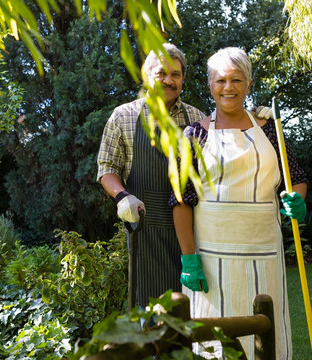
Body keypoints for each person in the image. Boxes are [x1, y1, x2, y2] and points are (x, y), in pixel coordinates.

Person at [97, 43, 272, 307]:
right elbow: (107, 167)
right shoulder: (124, 116)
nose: (169, 80)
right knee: (152, 312)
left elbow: (228, 154)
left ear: (183, 80)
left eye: (176, 75)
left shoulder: (197, 117)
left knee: (197, 311)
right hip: (146, 230)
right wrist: (122, 197)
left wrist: (255, 119)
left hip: (196, 228)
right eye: (161, 73)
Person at [169, 47, 308, 360]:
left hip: (264, 253)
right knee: (215, 339)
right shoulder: (194, 135)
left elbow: (295, 177)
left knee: (267, 330)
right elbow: (181, 200)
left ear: (248, 84)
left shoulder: (270, 128)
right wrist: (188, 259)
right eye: (220, 80)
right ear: (209, 85)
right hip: (212, 258)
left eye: (236, 80)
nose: (228, 87)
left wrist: (297, 199)